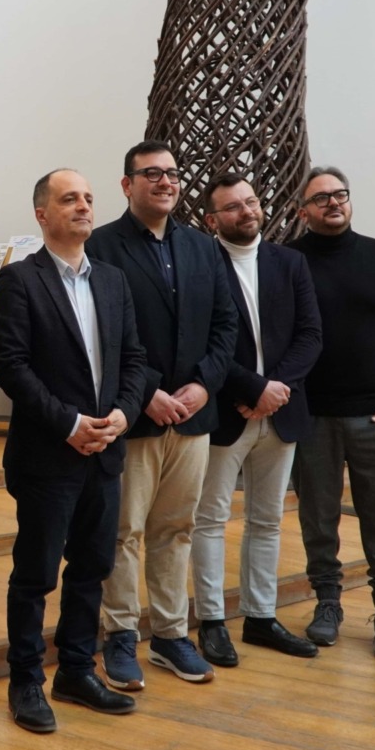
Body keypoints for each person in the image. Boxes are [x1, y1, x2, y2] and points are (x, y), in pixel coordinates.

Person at [0, 169, 148, 734]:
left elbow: (134, 359)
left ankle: (77, 670)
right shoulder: (20, 279)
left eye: (88, 198)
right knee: (36, 575)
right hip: (48, 456)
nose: (83, 206)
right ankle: (26, 680)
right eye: (69, 199)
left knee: (93, 568)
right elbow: (12, 367)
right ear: (42, 214)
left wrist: (124, 413)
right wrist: (69, 423)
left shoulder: (113, 280)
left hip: (104, 451)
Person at [84, 141, 237, 689]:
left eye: (172, 173)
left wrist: (203, 385)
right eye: (152, 173)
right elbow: (102, 333)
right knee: (124, 531)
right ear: (127, 184)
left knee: (176, 529)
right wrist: (146, 391)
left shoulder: (202, 247)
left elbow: (225, 324)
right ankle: (121, 635)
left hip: (192, 418)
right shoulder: (101, 246)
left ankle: (172, 636)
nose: (166, 181)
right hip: (135, 416)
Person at [287, 165, 375, 659]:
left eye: (339, 194)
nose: (333, 203)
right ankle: (327, 603)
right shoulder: (289, 261)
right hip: (313, 418)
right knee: (318, 520)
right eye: (321, 198)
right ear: (303, 211)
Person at [192, 173, 322, 667]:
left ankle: (261, 617)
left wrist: (274, 391)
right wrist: (251, 390)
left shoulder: (290, 262)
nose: (246, 211)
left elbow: (310, 335)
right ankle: (211, 621)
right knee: (210, 520)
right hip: (226, 412)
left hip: (281, 411)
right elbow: (202, 343)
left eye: (251, 202)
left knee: (267, 520)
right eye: (232, 206)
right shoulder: (202, 264)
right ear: (212, 220)